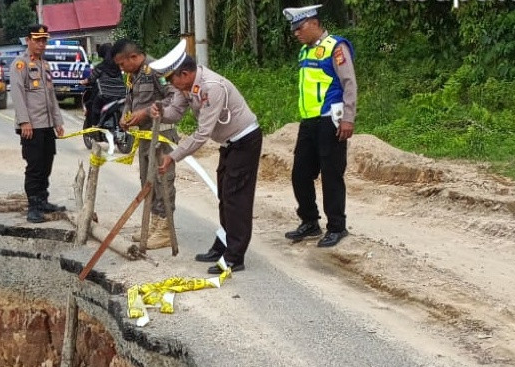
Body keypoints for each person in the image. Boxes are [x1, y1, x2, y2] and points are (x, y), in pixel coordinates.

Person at [150, 41, 262, 274]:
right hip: (229, 143)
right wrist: (160, 110)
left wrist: (173, 156)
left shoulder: (212, 87)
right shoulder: (187, 87)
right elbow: (175, 113)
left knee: (236, 198)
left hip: (244, 141)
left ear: (186, 73)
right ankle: (222, 245)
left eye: (171, 80)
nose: (170, 85)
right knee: (225, 195)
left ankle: (234, 257)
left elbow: (202, 134)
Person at [282, 4, 357, 248]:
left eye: (299, 27)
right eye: (293, 29)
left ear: (314, 23)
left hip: (330, 120)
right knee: (300, 174)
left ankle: (336, 226)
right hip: (309, 121)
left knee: (331, 174)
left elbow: (349, 83)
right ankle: (310, 221)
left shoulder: (336, 47)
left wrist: (349, 118)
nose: (296, 33)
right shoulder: (305, 52)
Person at [111, 38, 177, 250]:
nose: (121, 69)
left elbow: (174, 98)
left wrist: (147, 112)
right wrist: (125, 116)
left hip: (161, 137)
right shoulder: (132, 75)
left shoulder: (157, 69)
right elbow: (130, 101)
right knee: (147, 182)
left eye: (122, 64)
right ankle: (153, 224)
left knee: (162, 181)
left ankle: (165, 230)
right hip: (144, 137)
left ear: (133, 57)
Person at [10, 24, 66, 223]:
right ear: (28, 40)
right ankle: (33, 206)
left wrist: (58, 122)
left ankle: (43, 200)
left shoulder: (45, 65)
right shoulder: (20, 64)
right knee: (34, 166)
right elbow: (17, 95)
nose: (42, 44)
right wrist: (25, 121)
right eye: (38, 40)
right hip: (31, 127)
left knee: (46, 164)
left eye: (44, 40)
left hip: (47, 125)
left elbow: (51, 96)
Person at [82, 43, 124, 129]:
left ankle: (95, 127)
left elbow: (91, 79)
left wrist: (82, 82)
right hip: (121, 95)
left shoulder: (101, 67)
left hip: (104, 95)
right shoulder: (119, 66)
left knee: (92, 105)